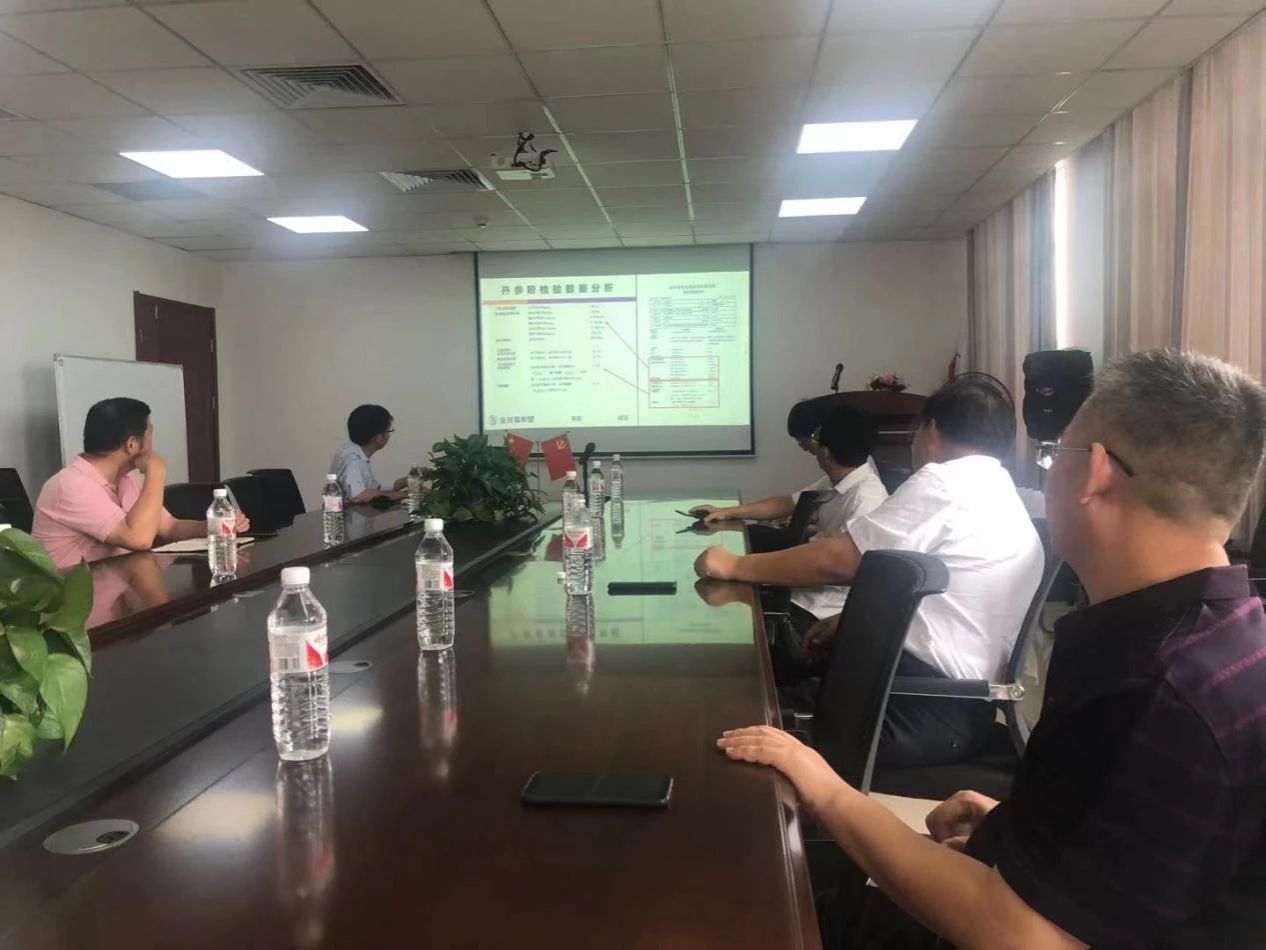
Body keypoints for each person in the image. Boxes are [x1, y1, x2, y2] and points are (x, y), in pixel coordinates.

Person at [719, 349, 1266, 948]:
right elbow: (1149, 848)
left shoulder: (1157, 690)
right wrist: (1019, 827)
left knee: (755, 904)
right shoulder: (1216, 638)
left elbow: (1023, 938)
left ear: (1095, 473)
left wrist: (826, 788)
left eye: (1059, 456)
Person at [697, 376, 1044, 766]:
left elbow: (843, 561)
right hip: (957, 705)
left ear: (931, 431)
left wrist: (736, 565)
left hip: (908, 704)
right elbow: (948, 598)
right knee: (771, 670)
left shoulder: (945, 482)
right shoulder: (999, 493)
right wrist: (855, 619)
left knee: (732, 703)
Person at [33, 397, 248, 570]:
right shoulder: (71, 485)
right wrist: (156, 470)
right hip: (75, 606)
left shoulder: (126, 479)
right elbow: (139, 539)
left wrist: (214, 527)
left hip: (117, 591)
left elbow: (169, 526)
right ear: (132, 444)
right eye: (150, 433)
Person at [690, 397, 832, 553]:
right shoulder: (828, 483)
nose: (804, 448)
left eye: (802, 441)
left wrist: (735, 565)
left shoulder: (853, 496)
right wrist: (725, 511)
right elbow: (786, 503)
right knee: (752, 534)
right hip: (808, 550)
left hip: (812, 557)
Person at [330, 404, 409, 504]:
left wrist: (408, 480)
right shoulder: (352, 459)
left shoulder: (354, 452)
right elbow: (360, 496)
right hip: (348, 513)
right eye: (389, 430)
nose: (389, 435)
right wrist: (404, 494)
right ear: (378, 437)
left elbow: (376, 489)